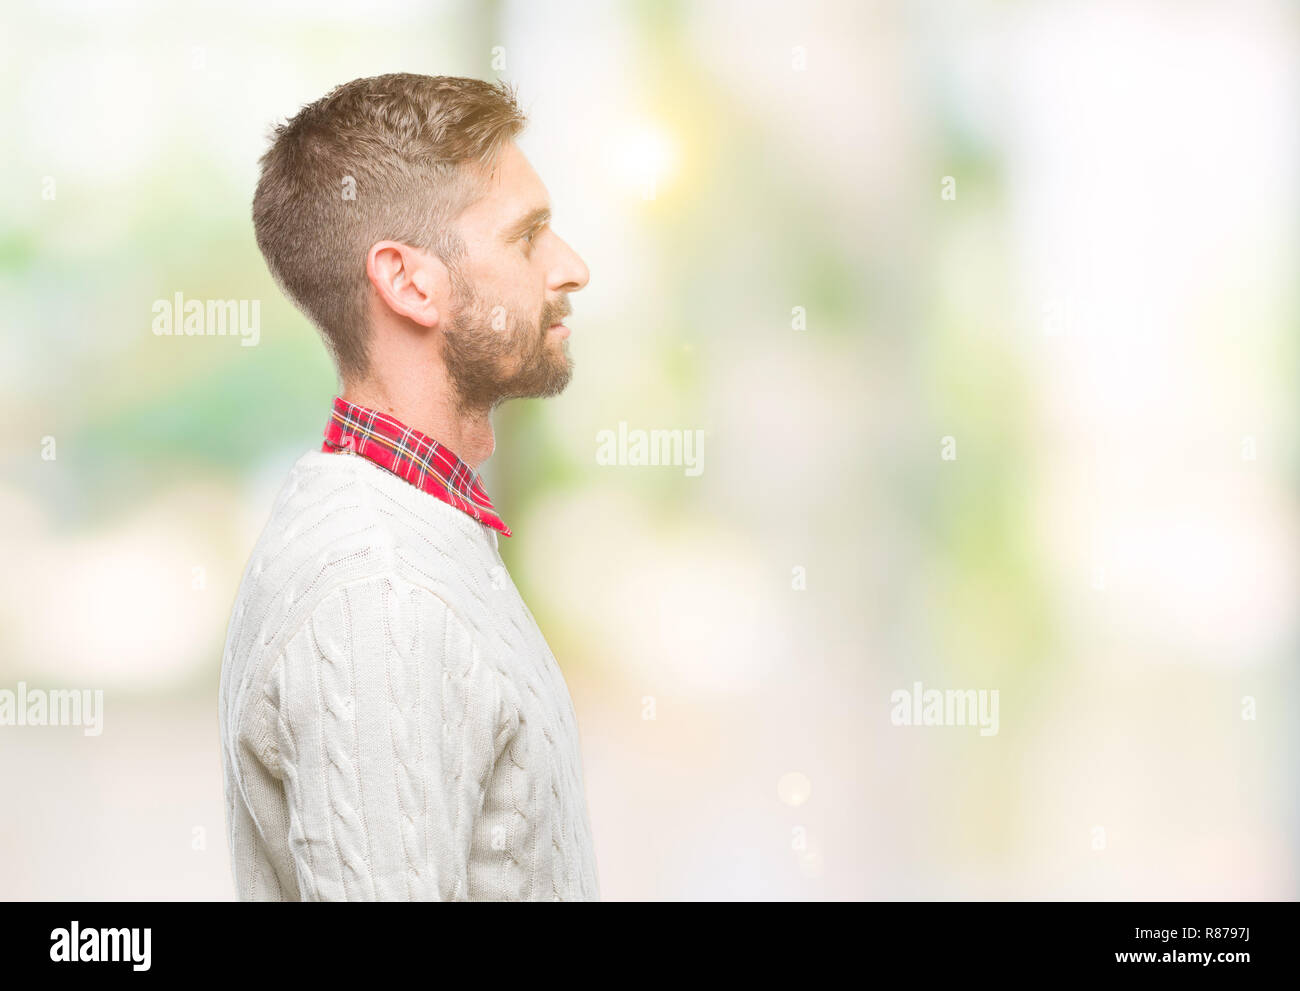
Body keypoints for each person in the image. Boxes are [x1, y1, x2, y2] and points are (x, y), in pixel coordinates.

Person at [217, 73, 598, 901]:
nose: (573, 268)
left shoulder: (415, 538)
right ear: (410, 282)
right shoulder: (378, 592)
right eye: (528, 236)